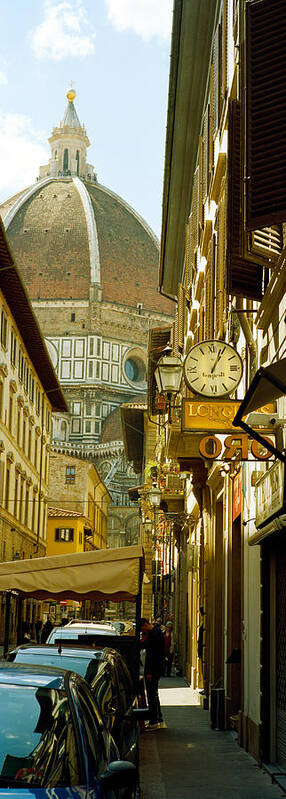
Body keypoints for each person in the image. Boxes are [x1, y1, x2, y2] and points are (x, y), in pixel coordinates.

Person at [140, 616, 165, 729]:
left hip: (153, 669)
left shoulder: (154, 634)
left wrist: (149, 672)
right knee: (154, 693)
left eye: (142, 630)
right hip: (155, 668)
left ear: (145, 625)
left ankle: (154, 720)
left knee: (151, 694)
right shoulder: (156, 632)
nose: (142, 632)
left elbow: (153, 655)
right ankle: (157, 717)